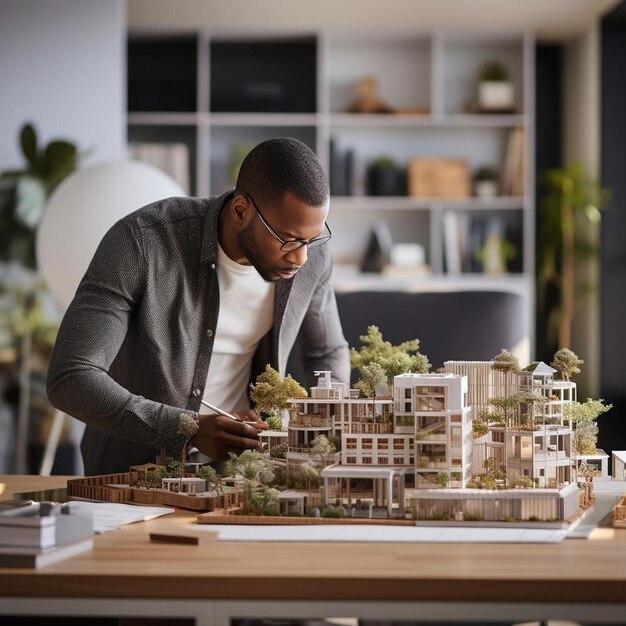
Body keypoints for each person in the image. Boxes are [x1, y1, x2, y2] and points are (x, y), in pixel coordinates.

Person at [47, 138, 350, 475]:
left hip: (240, 475)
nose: (301, 257)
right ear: (240, 211)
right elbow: (71, 377)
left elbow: (327, 350)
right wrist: (187, 429)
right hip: (131, 476)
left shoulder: (312, 255)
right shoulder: (142, 242)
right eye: (288, 240)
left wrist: (325, 421)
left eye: (312, 239)